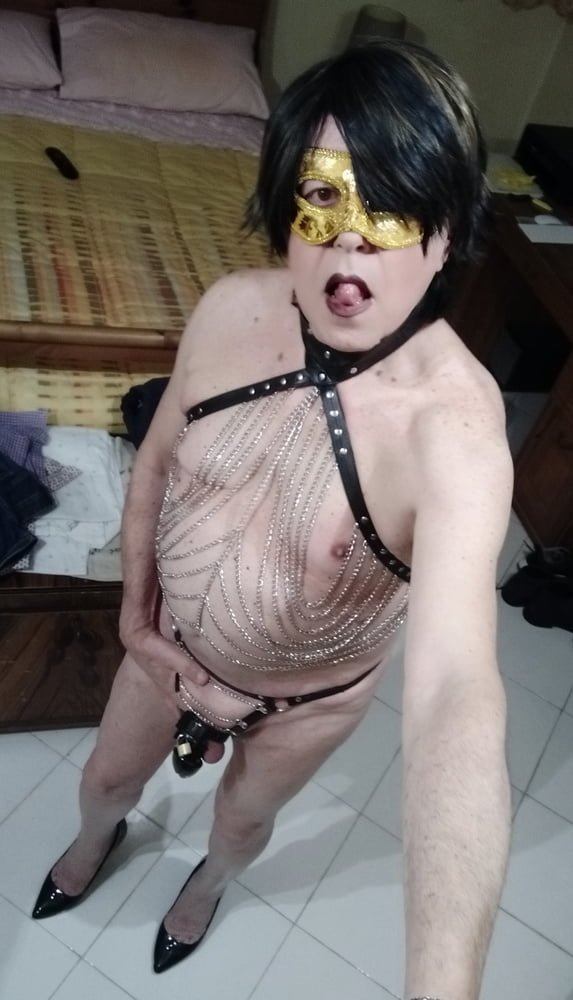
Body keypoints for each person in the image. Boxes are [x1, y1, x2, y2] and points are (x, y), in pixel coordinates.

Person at [32, 40, 513, 998]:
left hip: (301, 704)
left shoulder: (455, 432)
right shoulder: (228, 311)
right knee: (102, 783)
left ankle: (208, 886)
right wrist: (133, 619)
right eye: (321, 197)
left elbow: (454, 693)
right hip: (165, 649)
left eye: (390, 206)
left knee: (241, 825)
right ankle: (95, 844)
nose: (348, 245)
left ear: (448, 232)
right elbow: (156, 461)